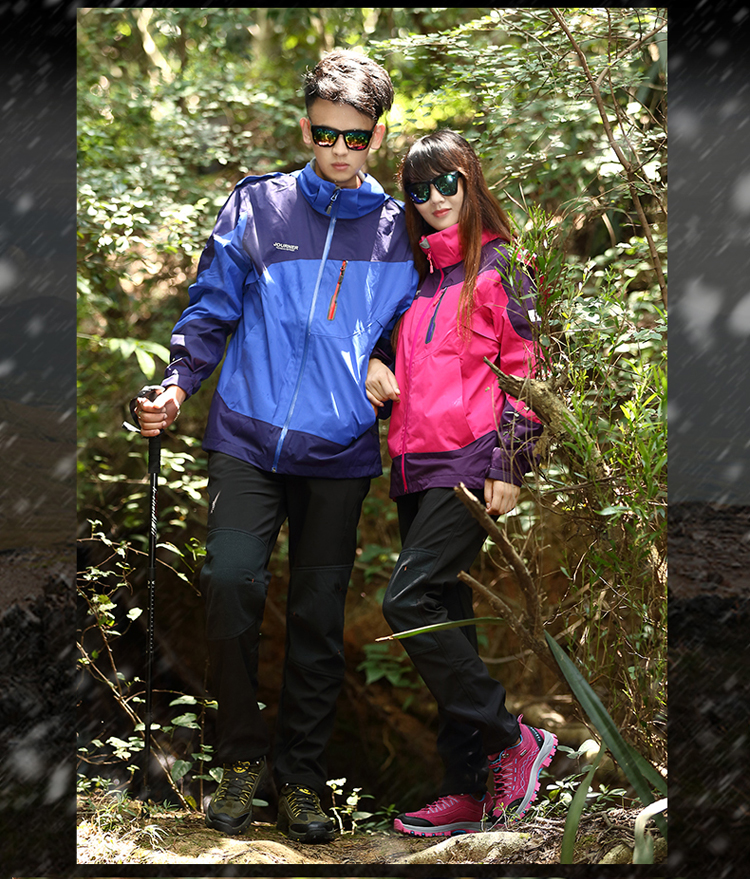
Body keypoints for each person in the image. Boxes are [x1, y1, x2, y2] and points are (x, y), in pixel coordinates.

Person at [133, 49, 418, 843]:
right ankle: (238, 761)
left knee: (318, 615)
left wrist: (383, 357)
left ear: (379, 136)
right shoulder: (257, 206)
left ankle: (301, 780)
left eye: (355, 137)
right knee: (229, 580)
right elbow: (209, 309)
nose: (339, 149)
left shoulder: (399, 231)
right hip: (245, 438)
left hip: (340, 451)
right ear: (306, 128)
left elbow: (412, 325)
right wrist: (176, 385)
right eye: (326, 133)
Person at [366, 129, 557, 837]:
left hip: (472, 463)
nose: (435, 198)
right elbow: (392, 357)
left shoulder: (504, 267)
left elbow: (530, 370)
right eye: (419, 189)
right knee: (449, 622)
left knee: (407, 600)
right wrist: (374, 363)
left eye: (447, 182)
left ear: (471, 180)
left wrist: (511, 461)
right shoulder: (418, 281)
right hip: (414, 468)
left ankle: (512, 737)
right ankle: (468, 787)